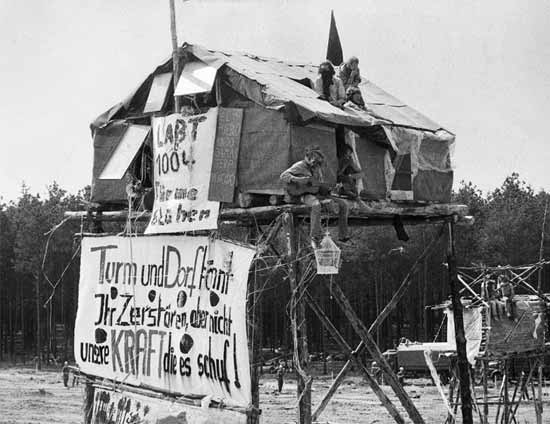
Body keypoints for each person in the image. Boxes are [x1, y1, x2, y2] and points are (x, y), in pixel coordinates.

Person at [280, 146, 350, 247]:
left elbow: (318, 186)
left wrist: (332, 189)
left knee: (344, 204)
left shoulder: (317, 169)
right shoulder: (300, 165)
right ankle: (315, 236)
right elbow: (283, 176)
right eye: (314, 161)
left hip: (316, 193)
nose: (316, 164)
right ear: (308, 158)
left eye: (317, 162)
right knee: (316, 205)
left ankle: (343, 235)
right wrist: (298, 180)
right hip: (302, 195)